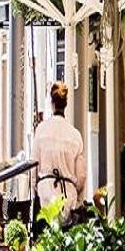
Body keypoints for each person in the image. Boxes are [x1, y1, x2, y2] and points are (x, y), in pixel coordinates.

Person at [32, 81, 85, 212]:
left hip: (45, 195)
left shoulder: (41, 130)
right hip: (68, 197)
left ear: (52, 103)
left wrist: (36, 187)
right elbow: (81, 177)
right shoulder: (75, 135)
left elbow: (33, 167)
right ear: (66, 104)